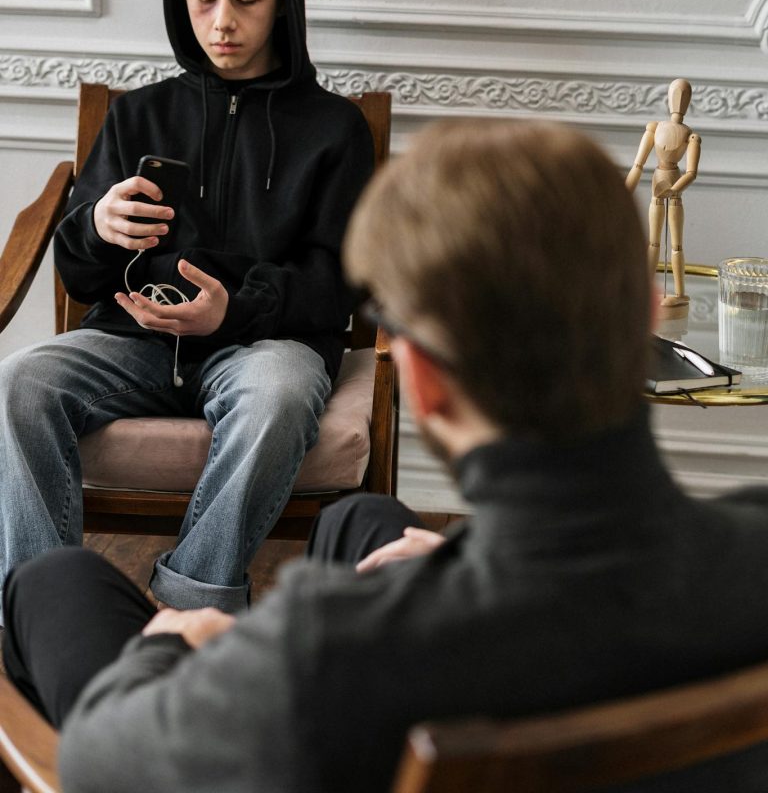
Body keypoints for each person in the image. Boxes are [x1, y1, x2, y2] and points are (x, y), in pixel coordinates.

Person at [7, 118, 768, 793]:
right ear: (644, 317)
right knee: (361, 521)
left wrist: (174, 647)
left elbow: (100, 764)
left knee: (57, 578)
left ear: (424, 383)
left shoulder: (321, 651)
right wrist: (459, 554)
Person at [0, 0, 374, 617]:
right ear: (182, 0)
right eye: (203, 0)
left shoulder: (335, 130)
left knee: (279, 396)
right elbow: (83, 277)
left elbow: (339, 286)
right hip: (135, 339)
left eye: (245, 0)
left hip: (266, 346)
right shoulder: (137, 114)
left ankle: (186, 605)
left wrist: (236, 308)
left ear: (283, 2)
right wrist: (97, 228)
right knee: (17, 383)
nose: (222, 22)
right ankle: (47, 607)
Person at [625, 77, 701, 312]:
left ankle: (679, 293)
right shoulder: (654, 128)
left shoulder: (691, 136)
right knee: (653, 242)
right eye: (675, 94)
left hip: (674, 191)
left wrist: (675, 189)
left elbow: (691, 172)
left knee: (676, 244)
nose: (678, 100)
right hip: (658, 188)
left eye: (683, 95)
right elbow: (637, 165)